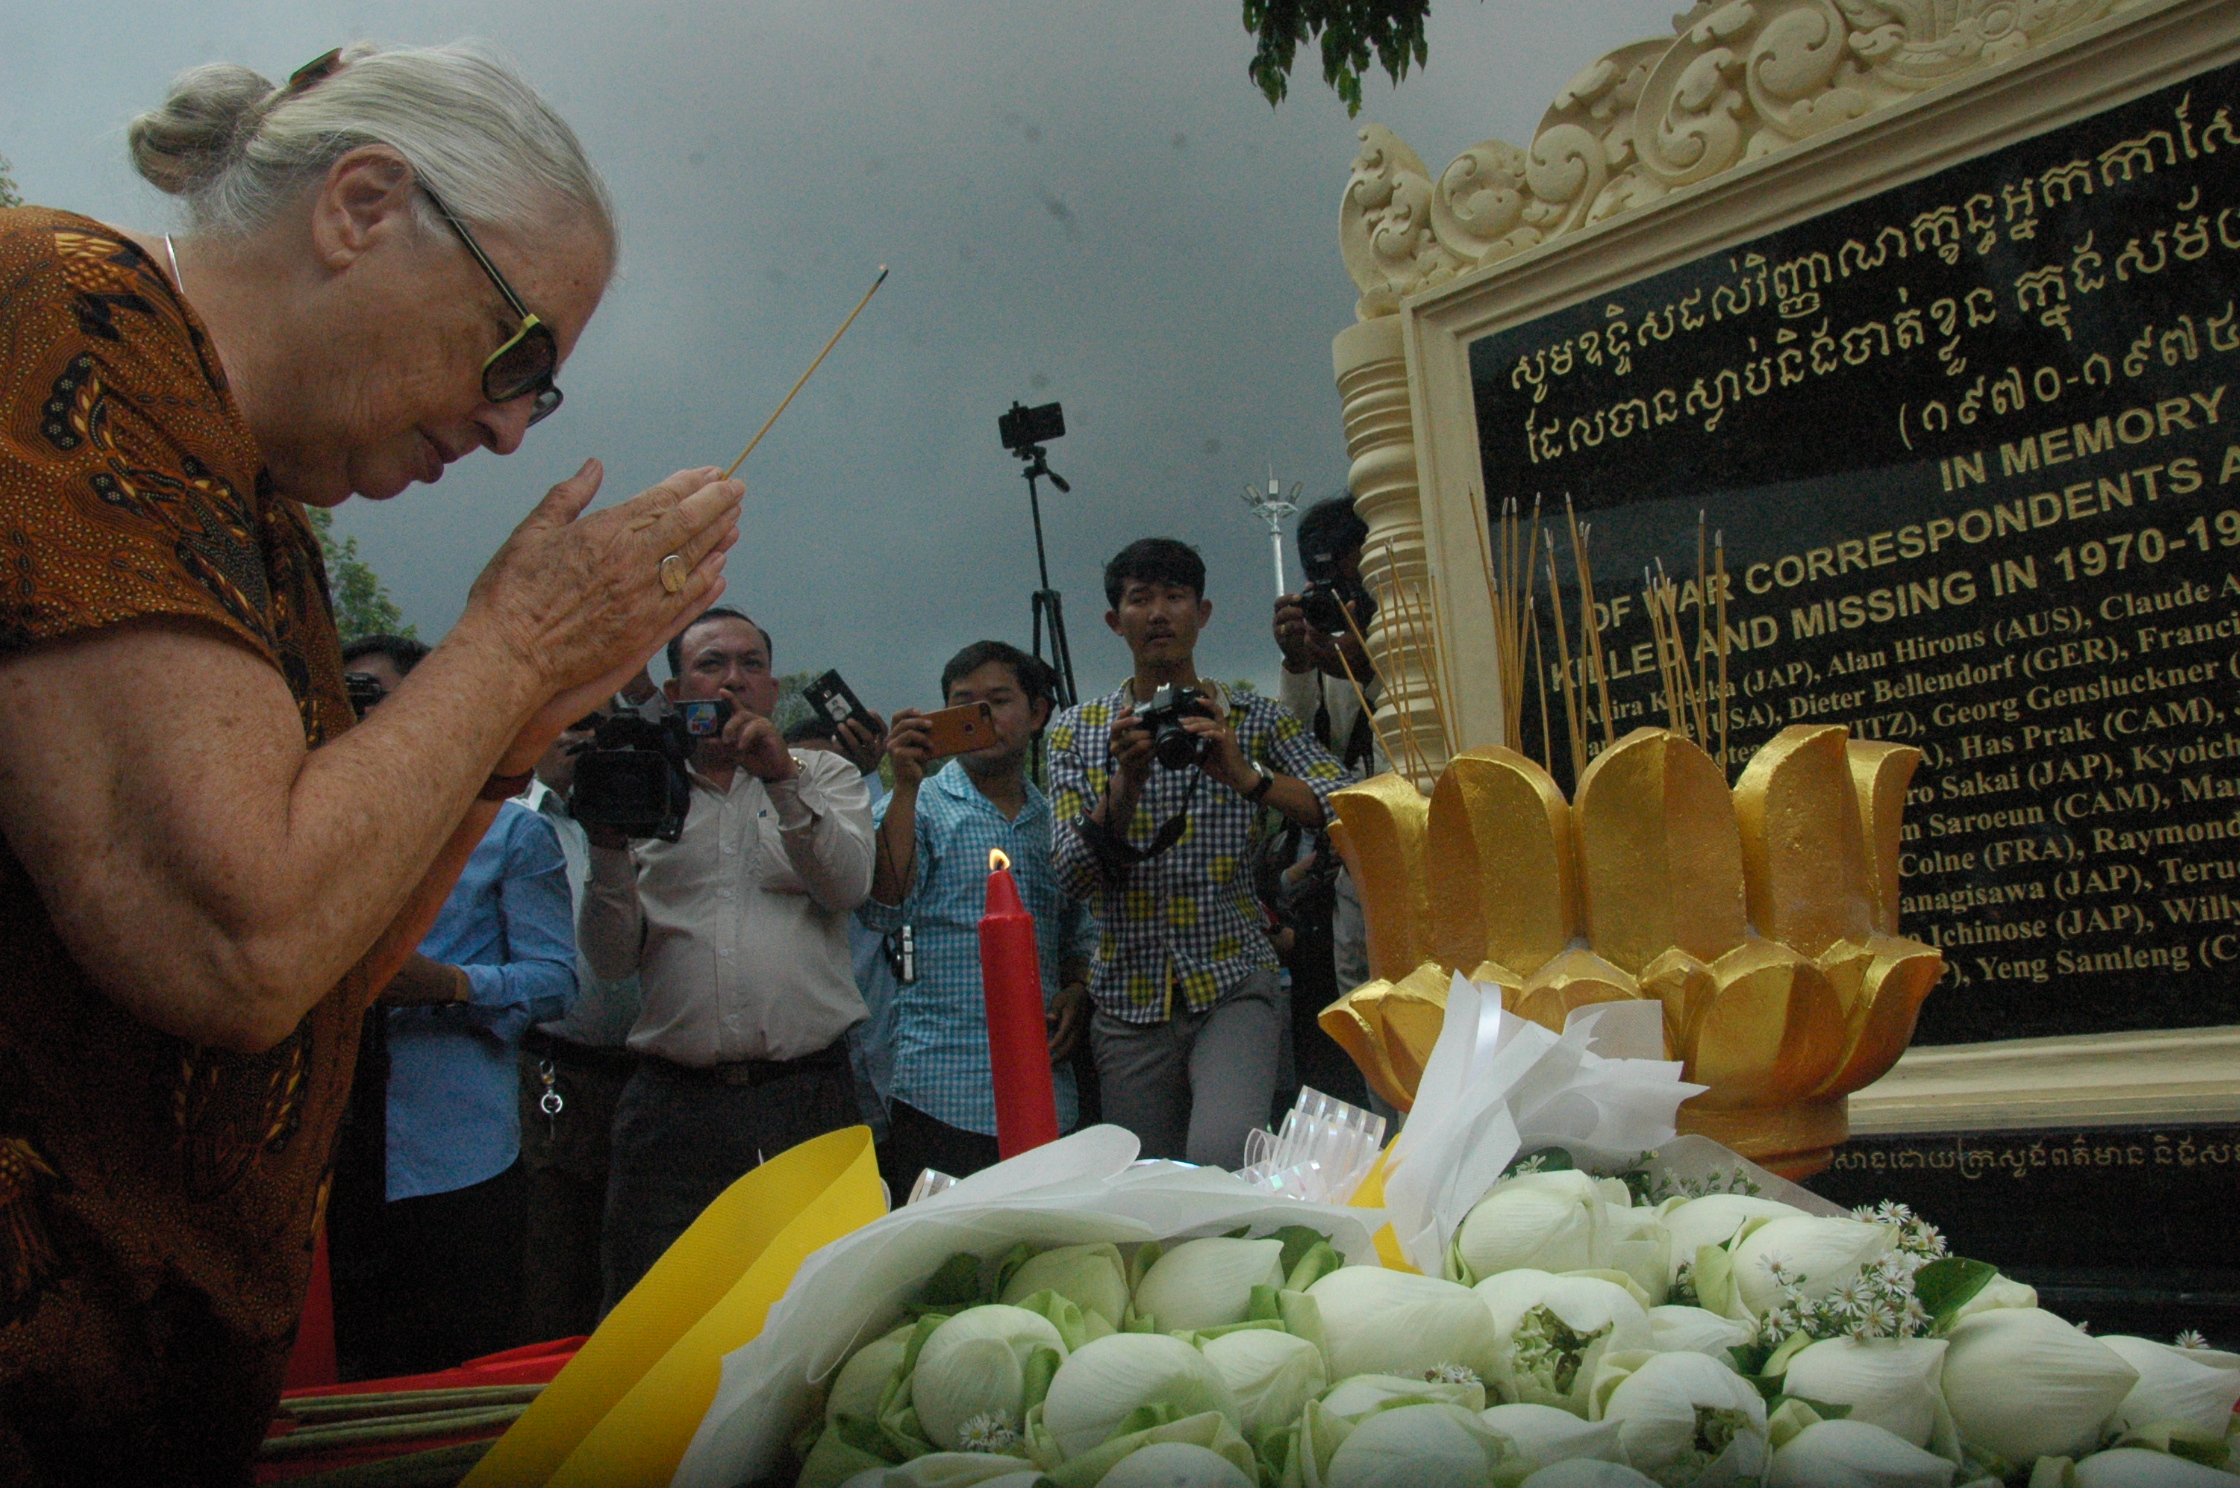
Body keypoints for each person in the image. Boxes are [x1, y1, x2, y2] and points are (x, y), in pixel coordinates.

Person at [0, 42, 741, 1481]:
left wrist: (508, 737)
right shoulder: (63, 313)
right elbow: (234, 941)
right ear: (359, 204)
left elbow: (320, 975)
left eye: (545, 394)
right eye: (516, 348)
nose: (509, 422)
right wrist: (510, 650)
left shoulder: (253, 499)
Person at [579, 609, 874, 1310]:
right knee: (655, 1309)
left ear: (773, 688)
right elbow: (612, 960)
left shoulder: (823, 772)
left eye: (750, 664)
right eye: (711, 665)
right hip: (672, 1104)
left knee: (819, 1305)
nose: (733, 680)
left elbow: (848, 886)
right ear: (678, 691)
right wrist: (608, 851)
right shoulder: (644, 786)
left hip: (804, 1094)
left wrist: (780, 779)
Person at [1047, 539, 1347, 1168]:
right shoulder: (1078, 731)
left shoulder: (1249, 718)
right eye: (1140, 599)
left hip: (1234, 976)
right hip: (1130, 996)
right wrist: (1123, 787)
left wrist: (1248, 777)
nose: (1158, 613)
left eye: (1175, 597)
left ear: (1202, 613)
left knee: (1224, 1152)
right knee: (1149, 1178)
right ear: (1114, 620)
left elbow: (1355, 804)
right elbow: (1073, 876)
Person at [862, 641, 1095, 1192]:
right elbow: (883, 904)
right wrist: (905, 783)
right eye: (964, 703)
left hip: (1044, 1092)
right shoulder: (918, 805)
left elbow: (1082, 929)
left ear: (1038, 713)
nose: (982, 717)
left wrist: (1079, 987)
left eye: (999, 700)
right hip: (940, 1088)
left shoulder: (1058, 820)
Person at [515, 709, 644, 1344]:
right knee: (555, 1262)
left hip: (658, 1077)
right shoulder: (510, 821)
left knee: (645, 1271)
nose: (576, 736)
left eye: (593, 724)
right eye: (557, 722)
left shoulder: (653, 812)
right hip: (552, 1074)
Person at [1271, 494, 1382, 1109]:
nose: (1340, 592)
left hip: (1403, 856)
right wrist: (1299, 661)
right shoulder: (1324, 641)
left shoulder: (1406, 616)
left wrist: (1361, 660)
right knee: (1353, 1017)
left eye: (1347, 571)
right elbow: (1302, 751)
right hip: (1340, 870)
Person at [786, 715, 900, 1145]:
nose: (823, 787)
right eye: (807, 775)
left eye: (836, 771)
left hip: (893, 1063)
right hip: (808, 1077)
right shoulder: (770, 848)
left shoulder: (890, 828)